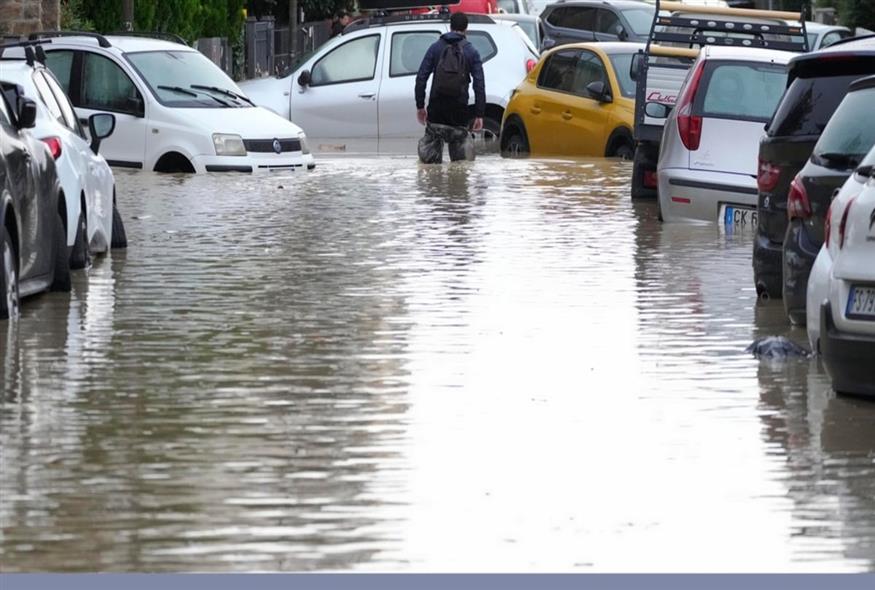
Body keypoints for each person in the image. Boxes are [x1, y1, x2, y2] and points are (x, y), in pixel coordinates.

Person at [414, 12, 486, 163]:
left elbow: (421, 78)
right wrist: (479, 114)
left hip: (436, 113)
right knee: (461, 171)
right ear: (466, 29)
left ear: (450, 26)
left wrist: (420, 106)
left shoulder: (435, 48)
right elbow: (479, 84)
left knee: (430, 170)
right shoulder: (471, 52)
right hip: (458, 114)